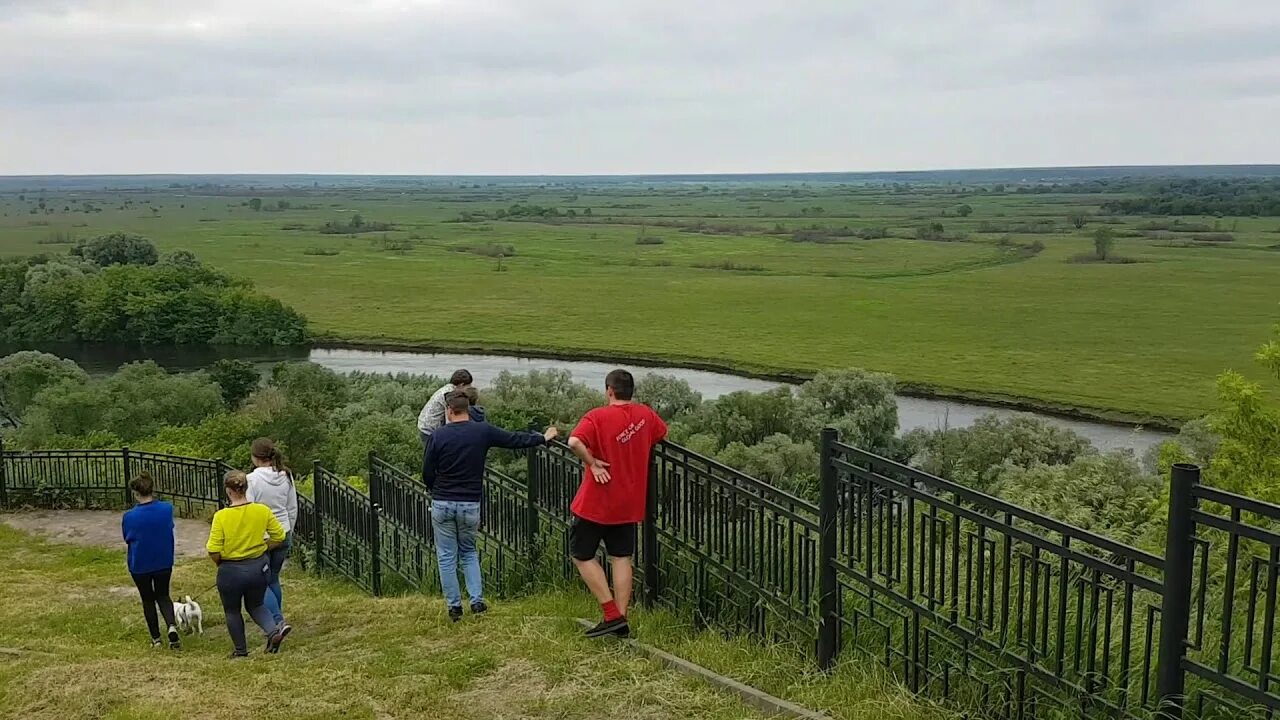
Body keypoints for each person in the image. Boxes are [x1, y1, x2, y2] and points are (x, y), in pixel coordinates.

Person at [422, 390, 558, 621]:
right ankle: (476, 601)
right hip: (470, 502)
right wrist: (542, 437)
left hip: (443, 501)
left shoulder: (439, 436)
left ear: (448, 411)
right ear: (468, 410)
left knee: (446, 555)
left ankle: (454, 607)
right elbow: (514, 439)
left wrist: (435, 489)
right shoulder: (482, 431)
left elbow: (427, 470)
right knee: (468, 552)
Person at [566, 369, 667, 639]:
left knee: (582, 554)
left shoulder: (597, 416)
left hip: (596, 502)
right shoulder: (645, 414)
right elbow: (661, 433)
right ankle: (621, 619)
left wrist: (592, 462)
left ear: (609, 390)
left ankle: (611, 614)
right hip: (629, 501)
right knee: (621, 557)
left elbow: (574, 441)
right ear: (630, 391)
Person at [207, 470, 289, 658]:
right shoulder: (262, 510)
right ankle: (273, 631)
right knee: (256, 605)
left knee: (232, 610)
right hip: (257, 567)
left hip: (231, 569)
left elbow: (213, 549)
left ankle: (241, 650)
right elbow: (279, 535)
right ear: (246, 487)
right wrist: (264, 548)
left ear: (228, 491)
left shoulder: (221, 516)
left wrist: (220, 562)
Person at [121, 472, 181, 649]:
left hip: (140, 563)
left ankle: (156, 638)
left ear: (136, 492)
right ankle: (171, 626)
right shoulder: (166, 509)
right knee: (163, 595)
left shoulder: (129, 516)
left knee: (147, 599)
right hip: (163, 560)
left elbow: (127, 537)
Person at [246, 437, 298, 629]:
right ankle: (278, 617)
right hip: (283, 531)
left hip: (264, 537)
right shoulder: (286, 475)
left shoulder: (252, 480)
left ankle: (276, 620)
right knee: (274, 578)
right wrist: (289, 530)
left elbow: (249, 511)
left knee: (261, 582)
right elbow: (292, 507)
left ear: (255, 457)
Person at [417, 369, 473, 447]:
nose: (469, 388)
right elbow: (450, 418)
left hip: (424, 425)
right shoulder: (450, 394)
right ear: (461, 385)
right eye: (468, 386)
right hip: (430, 430)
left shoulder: (446, 389)